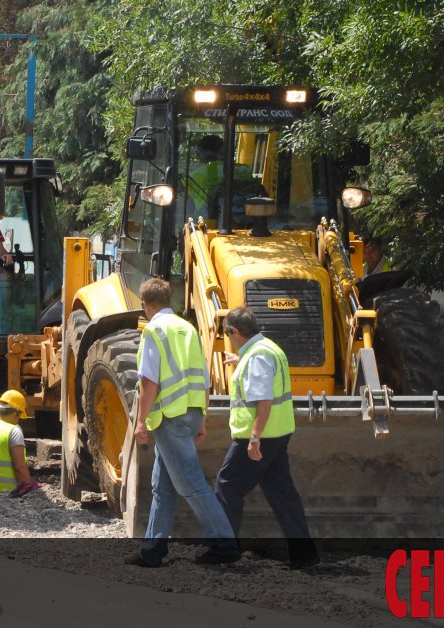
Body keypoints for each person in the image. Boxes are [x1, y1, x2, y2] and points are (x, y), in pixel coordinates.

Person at [126, 277, 240, 568]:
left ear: (145, 305)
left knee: (191, 483)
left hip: (169, 417)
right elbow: (203, 377)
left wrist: (140, 422)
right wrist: (201, 417)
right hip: (188, 413)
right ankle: (152, 550)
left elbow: (149, 382)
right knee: (162, 486)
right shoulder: (188, 328)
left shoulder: (153, 330)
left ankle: (224, 545)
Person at [215, 306, 319, 570]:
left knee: (227, 486)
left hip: (260, 436)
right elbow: (267, 379)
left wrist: (254, 437)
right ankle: (304, 554)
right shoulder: (268, 349)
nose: (228, 337)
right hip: (279, 432)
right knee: (282, 493)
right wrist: (241, 362)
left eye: (228, 333)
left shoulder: (257, 357)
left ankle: (224, 551)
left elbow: (264, 399)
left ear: (235, 332)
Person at [0, 390, 40, 496]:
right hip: (8, 493)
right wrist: (28, 487)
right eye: (19, 416)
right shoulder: (13, 431)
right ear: (15, 413)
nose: (18, 420)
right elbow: (19, 467)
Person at [187, 135, 260, 219]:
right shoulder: (245, 170)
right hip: (250, 220)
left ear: (203, 153)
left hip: (211, 223)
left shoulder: (195, 175)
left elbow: (187, 207)